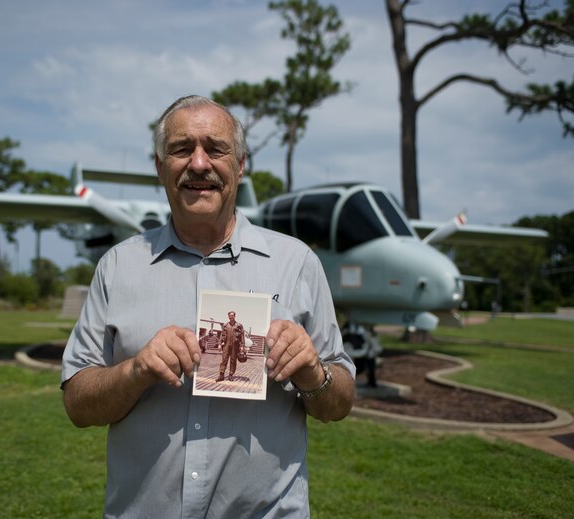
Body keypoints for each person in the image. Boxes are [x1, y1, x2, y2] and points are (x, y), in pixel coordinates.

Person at [61, 95, 355, 518]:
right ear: (161, 168)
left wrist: (314, 373)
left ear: (239, 166)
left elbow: (340, 403)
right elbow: (76, 405)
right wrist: (136, 371)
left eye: (216, 149)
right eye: (181, 149)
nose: (199, 164)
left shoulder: (297, 265)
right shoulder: (117, 267)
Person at [217, 310, 244, 381]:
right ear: (228, 316)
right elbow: (222, 335)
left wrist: (242, 346)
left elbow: (242, 336)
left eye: (232, 315)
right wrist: (219, 344)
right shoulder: (225, 325)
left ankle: (231, 375)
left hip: (235, 346)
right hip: (226, 345)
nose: (231, 316)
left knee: (233, 360)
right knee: (224, 360)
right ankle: (221, 375)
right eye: (230, 315)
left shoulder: (239, 325)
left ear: (234, 316)